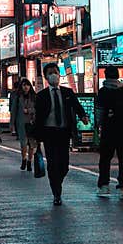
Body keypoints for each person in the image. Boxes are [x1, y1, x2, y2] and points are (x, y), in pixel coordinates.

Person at [33, 63, 90, 206]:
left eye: (56, 72)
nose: (54, 75)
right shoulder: (41, 96)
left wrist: (83, 116)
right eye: (51, 73)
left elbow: (77, 107)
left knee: (64, 165)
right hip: (49, 132)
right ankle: (56, 193)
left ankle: (58, 180)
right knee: (52, 163)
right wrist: (35, 137)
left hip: (64, 132)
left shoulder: (67, 92)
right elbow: (38, 118)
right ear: (46, 77)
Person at [95, 65, 123, 200]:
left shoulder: (103, 92)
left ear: (106, 76)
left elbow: (100, 113)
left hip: (108, 130)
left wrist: (99, 125)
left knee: (105, 158)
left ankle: (104, 186)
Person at [10, 78, 37, 171]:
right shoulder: (17, 97)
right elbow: (13, 111)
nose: (26, 87)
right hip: (21, 123)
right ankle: (24, 159)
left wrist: (29, 110)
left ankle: (30, 161)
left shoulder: (34, 97)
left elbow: (38, 109)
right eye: (24, 85)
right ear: (21, 87)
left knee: (32, 144)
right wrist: (11, 124)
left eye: (28, 85)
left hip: (32, 123)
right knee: (23, 143)